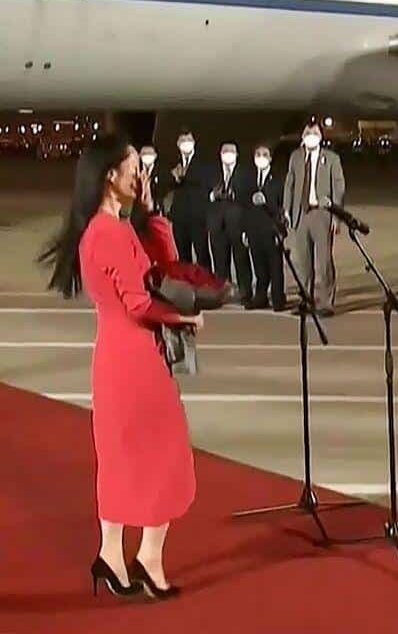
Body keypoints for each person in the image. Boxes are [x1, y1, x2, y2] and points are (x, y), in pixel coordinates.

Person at [38, 133, 202, 599]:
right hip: (133, 360)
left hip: (122, 358)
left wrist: (150, 213)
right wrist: (185, 316)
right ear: (111, 175)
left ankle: (114, 556)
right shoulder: (106, 234)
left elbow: (166, 269)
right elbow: (137, 301)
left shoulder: (114, 227)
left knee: (122, 459)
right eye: (134, 168)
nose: (142, 175)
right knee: (164, 456)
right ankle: (144, 557)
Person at [282, 121, 345, 317]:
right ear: (302, 135)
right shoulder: (296, 157)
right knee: (303, 262)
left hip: (322, 214)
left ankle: (326, 302)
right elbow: (289, 183)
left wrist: (336, 215)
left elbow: (339, 187)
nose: (311, 135)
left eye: (315, 132)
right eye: (307, 132)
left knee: (324, 261)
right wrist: (286, 209)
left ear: (321, 136)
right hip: (301, 214)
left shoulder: (332, 159)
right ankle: (305, 300)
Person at [238, 143, 286, 311]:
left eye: (264, 154)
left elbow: (282, 207)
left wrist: (268, 203)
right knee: (259, 266)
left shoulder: (278, 180)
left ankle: (278, 298)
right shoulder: (249, 180)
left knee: (275, 266)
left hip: (271, 229)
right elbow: (244, 206)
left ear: (270, 158)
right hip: (253, 229)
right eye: (257, 154)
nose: (260, 157)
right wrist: (244, 230)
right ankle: (261, 296)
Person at [208, 141, 252, 303]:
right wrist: (213, 195)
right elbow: (206, 194)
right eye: (225, 152)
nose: (228, 155)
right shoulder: (213, 172)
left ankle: (245, 292)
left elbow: (247, 197)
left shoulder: (244, 173)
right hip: (217, 223)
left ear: (236, 155)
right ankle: (223, 293)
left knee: (241, 258)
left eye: (231, 152)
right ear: (220, 154)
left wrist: (235, 195)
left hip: (237, 223)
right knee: (220, 259)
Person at [164, 129, 212, 269]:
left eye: (189, 140)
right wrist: (174, 177)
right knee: (183, 258)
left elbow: (205, 183)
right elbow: (165, 183)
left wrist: (185, 177)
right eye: (183, 141)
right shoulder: (173, 162)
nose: (186, 144)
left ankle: (207, 286)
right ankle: (187, 287)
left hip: (197, 216)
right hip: (179, 217)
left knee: (202, 255)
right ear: (178, 144)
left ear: (194, 143)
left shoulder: (203, 162)